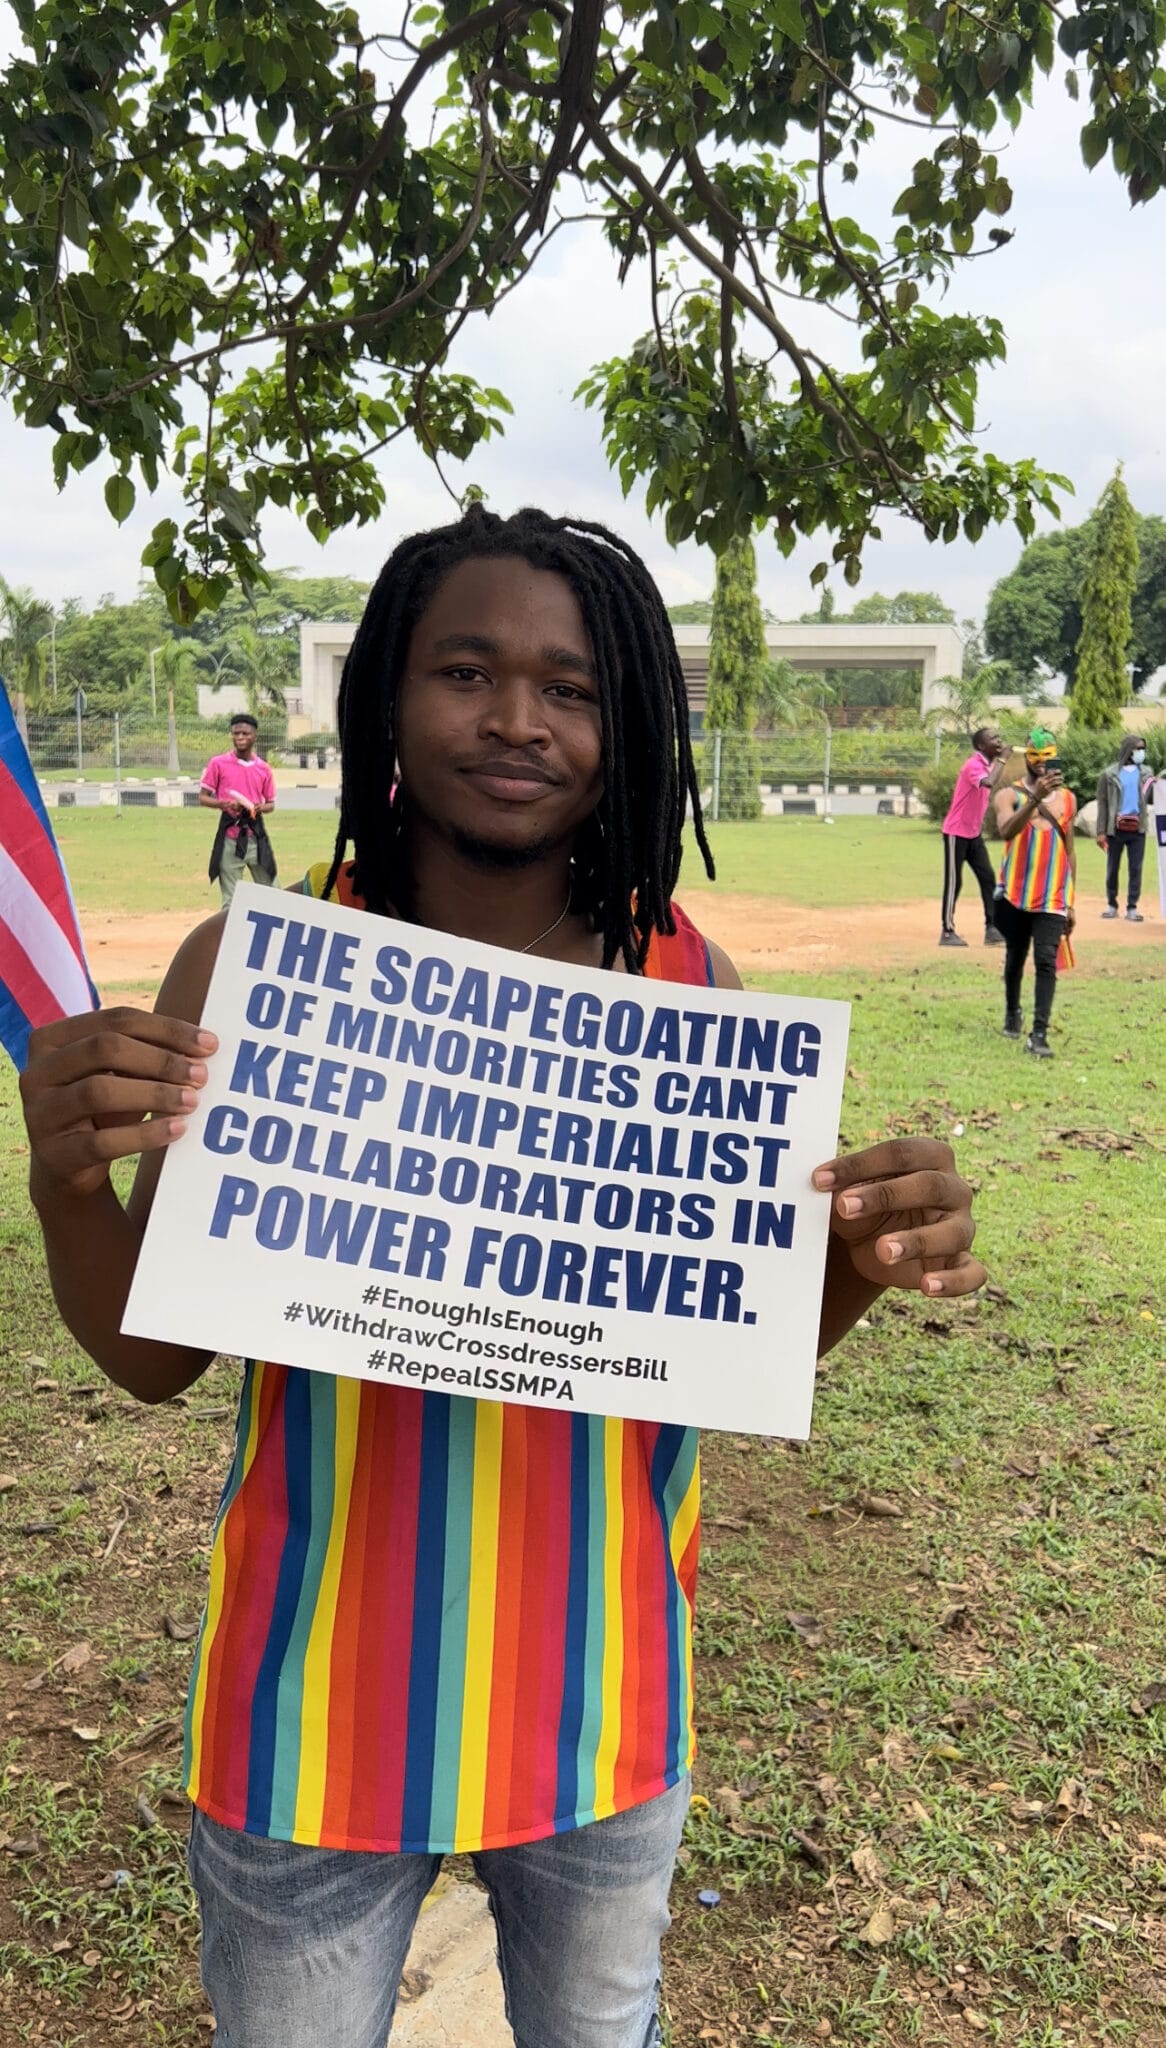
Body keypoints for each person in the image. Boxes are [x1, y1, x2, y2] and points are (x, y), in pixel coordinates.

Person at [19, 508, 985, 2048]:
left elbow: (726, 1359)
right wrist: (64, 1176)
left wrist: (860, 1263)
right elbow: (153, 1361)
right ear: (387, 696)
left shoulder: (688, 987)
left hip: (600, 1701)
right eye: (465, 670)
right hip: (307, 1708)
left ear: (633, 724)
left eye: (576, 686)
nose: (520, 720)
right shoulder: (260, 968)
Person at [991, 729, 1076, 1058]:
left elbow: (1070, 852)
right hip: (1014, 894)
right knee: (1016, 957)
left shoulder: (1068, 799)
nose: (1041, 763)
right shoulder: (1008, 795)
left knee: (1045, 961)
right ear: (1025, 757)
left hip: (1052, 897)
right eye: (1035, 756)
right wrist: (1036, 799)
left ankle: (1038, 1034)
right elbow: (1005, 831)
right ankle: (1013, 1010)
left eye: (1047, 755)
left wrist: (1071, 901)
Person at [939, 724, 1008, 947]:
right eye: (993, 738)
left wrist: (999, 762)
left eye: (999, 737)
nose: (998, 741)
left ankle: (992, 927)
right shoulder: (973, 765)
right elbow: (988, 782)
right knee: (954, 882)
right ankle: (947, 931)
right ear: (981, 745)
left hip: (973, 834)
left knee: (988, 878)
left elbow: (991, 779)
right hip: (955, 833)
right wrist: (1004, 760)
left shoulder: (987, 764)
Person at [199, 713, 277, 906]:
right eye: (236, 733)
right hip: (230, 837)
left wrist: (260, 808)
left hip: (255, 837)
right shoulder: (218, 763)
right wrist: (223, 804)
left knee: (274, 893)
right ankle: (228, 933)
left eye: (245, 733)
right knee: (230, 900)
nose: (240, 737)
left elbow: (271, 804)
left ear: (255, 736)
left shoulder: (263, 768)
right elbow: (203, 797)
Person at [1095, 733, 1156, 922]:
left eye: (1143, 748)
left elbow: (1154, 798)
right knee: (1112, 867)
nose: (1141, 752)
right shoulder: (1109, 774)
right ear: (1129, 750)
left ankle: (1132, 907)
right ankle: (1111, 904)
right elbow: (1103, 803)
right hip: (1116, 828)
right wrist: (1101, 831)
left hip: (1138, 828)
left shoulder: (1147, 773)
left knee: (1136, 868)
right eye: (1138, 748)